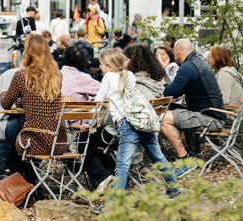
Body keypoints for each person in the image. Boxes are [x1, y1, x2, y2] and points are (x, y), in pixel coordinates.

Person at [93, 48, 180, 196]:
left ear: (110, 66)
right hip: (142, 122)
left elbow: (98, 102)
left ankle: (114, 202)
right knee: (159, 158)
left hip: (127, 125)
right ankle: (174, 190)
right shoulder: (130, 75)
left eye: (101, 64)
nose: (99, 67)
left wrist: (90, 122)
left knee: (122, 165)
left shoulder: (108, 77)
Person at [1, 34, 66, 183]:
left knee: (22, 136)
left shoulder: (21, 76)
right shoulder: (57, 75)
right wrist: (23, 101)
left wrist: (3, 93)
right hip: (57, 141)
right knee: (25, 132)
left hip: (34, 141)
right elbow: (42, 101)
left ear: (27, 52)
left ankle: (21, 184)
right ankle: (29, 185)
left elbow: (5, 104)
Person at [161, 39, 226, 176]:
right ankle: (191, 152)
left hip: (210, 118)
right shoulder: (198, 62)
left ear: (177, 51)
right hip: (212, 114)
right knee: (174, 110)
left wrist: (162, 79)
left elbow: (170, 93)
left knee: (162, 118)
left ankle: (184, 159)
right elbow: (177, 92)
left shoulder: (188, 66)